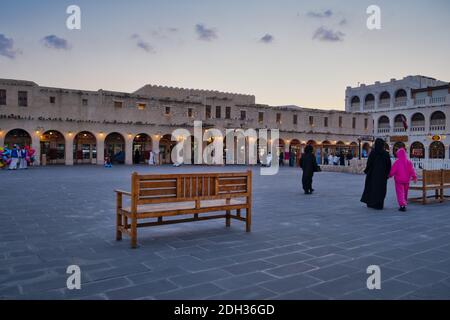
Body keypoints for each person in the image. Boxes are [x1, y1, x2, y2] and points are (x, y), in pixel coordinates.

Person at [361, 138, 392, 210]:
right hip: (382, 176)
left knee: (371, 188)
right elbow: (389, 165)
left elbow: (369, 163)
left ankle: (371, 203)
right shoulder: (386, 154)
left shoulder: (373, 153)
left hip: (372, 175)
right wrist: (387, 174)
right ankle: (379, 204)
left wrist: (366, 171)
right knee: (381, 190)